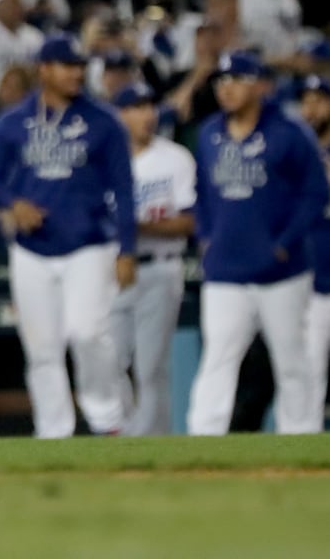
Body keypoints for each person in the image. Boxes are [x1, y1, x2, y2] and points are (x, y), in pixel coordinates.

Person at [0, 34, 137, 439]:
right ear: (44, 69)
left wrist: (128, 248)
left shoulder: (102, 121)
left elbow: (123, 188)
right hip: (32, 250)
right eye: (68, 66)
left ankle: (106, 418)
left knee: (87, 333)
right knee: (42, 347)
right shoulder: (13, 122)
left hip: (88, 244)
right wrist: (13, 204)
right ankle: (54, 431)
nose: (77, 73)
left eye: (80, 66)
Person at [186, 52, 326, 436]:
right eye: (221, 82)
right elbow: (201, 193)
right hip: (226, 270)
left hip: (282, 272)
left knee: (292, 359)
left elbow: (314, 193)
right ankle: (204, 436)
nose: (226, 88)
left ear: (260, 85)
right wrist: (206, 236)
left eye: (236, 80)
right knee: (218, 356)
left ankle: (299, 435)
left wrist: (285, 242)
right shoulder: (210, 132)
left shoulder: (289, 132)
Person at [108, 83, 196, 436]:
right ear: (118, 115)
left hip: (160, 266)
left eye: (150, 106)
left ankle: (152, 443)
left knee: (151, 366)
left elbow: (189, 221)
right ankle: (122, 436)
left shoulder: (175, 158)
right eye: (136, 107)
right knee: (107, 361)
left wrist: (134, 224)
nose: (147, 115)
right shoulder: (102, 158)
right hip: (109, 271)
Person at [299, 75, 330, 424]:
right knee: (309, 373)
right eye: (306, 100)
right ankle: (301, 441)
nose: (312, 109)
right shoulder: (296, 154)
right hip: (313, 282)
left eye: (320, 100)